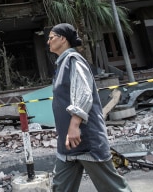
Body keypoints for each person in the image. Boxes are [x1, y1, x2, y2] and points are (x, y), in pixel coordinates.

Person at [47, 23, 132, 192]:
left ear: (62, 39)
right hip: (68, 142)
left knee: (112, 187)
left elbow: (84, 93)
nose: (48, 42)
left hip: (85, 137)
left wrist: (74, 125)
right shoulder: (62, 64)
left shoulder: (74, 60)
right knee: (60, 187)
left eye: (51, 38)